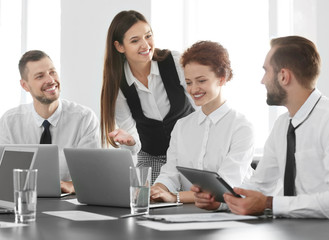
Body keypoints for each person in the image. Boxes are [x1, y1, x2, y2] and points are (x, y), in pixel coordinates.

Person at [191, 36, 329, 219]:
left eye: (266, 71)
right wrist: (221, 201)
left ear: (284, 76)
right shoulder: (282, 125)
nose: (262, 81)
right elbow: (259, 186)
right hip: (290, 230)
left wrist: (269, 204)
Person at [150, 41, 254, 204]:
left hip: (233, 214)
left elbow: (224, 189)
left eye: (201, 81)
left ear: (221, 79)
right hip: (190, 212)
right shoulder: (182, 126)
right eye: (189, 82)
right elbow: (170, 173)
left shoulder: (241, 127)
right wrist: (157, 190)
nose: (193, 89)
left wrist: (175, 197)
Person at [100, 10, 194, 184]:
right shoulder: (118, 85)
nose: (145, 45)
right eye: (135, 41)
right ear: (120, 47)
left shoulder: (173, 61)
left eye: (148, 36)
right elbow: (134, 144)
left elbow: (201, 107)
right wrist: (129, 141)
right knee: (143, 197)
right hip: (153, 157)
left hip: (190, 155)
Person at [0, 50, 100, 193]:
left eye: (52, 72)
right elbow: (5, 177)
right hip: (23, 200)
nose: (50, 80)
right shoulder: (10, 122)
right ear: (25, 86)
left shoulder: (84, 118)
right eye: (40, 76)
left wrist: (71, 186)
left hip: (70, 201)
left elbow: (91, 175)